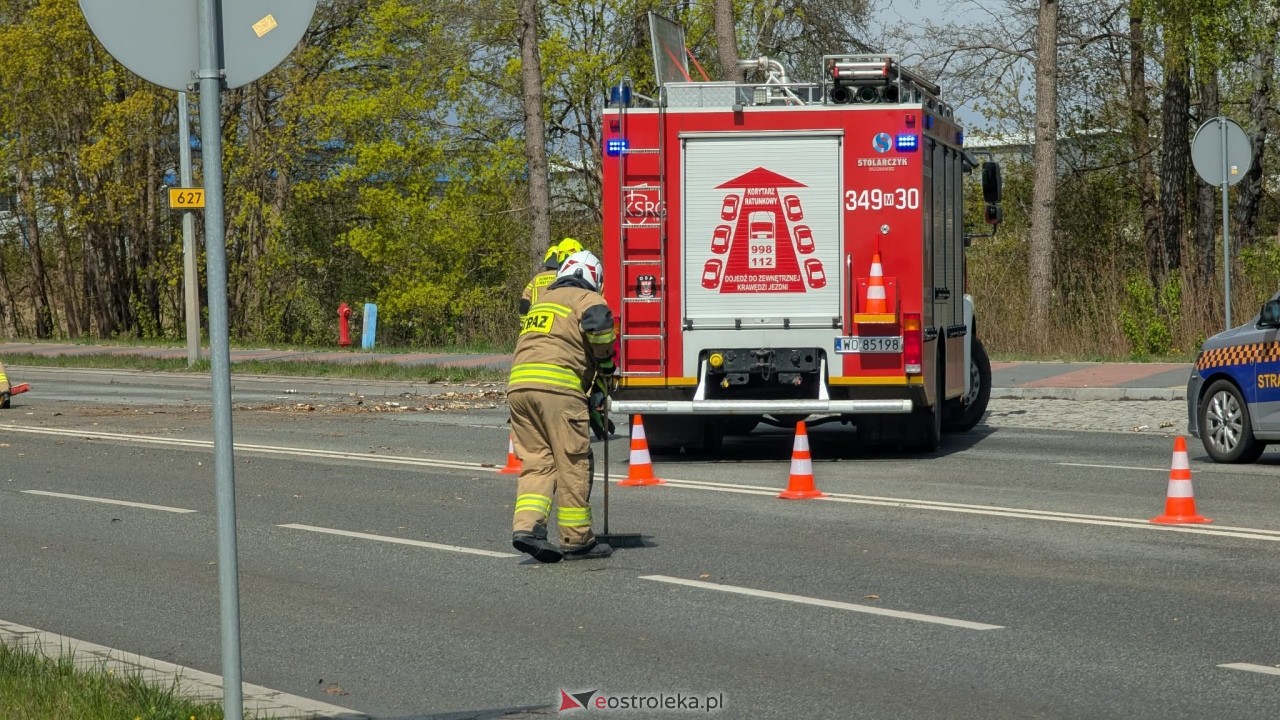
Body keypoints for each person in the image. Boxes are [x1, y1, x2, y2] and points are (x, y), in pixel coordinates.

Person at [508, 250, 617, 562]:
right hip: (558, 389)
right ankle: (577, 539)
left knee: (537, 462)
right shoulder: (586, 299)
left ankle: (527, 529)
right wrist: (607, 364)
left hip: (519, 388)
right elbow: (599, 327)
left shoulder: (544, 303)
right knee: (573, 462)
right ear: (594, 279)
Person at [518, 237, 585, 321]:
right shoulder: (563, 276)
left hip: (535, 322)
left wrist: (523, 323)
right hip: (559, 322)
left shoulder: (536, 279)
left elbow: (524, 302)